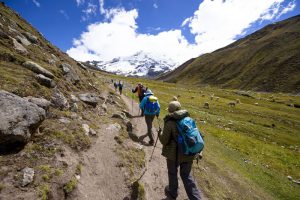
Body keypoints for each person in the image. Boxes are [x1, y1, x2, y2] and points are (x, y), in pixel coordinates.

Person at [158, 101, 202, 200]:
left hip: (173, 155)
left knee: (172, 173)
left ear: (170, 110)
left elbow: (164, 141)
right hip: (189, 153)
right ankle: (196, 198)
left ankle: (173, 192)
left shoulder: (169, 122)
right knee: (186, 176)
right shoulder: (189, 119)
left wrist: (159, 133)